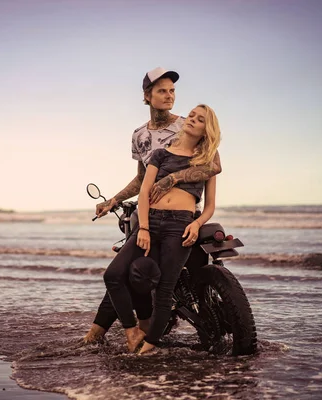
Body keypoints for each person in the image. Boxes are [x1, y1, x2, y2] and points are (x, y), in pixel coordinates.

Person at [83, 67, 222, 346]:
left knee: (134, 270)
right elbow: (140, 180)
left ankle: (106, 331)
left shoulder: (187, 125)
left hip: (179, 214)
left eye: (172, 91)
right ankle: (122, 330)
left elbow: (213, 165)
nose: (169, 96)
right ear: (147, 96)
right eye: (162, 91)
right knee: (123, 270)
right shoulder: (140, 136)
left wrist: (173, 179)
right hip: (150, 212)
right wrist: (114, 200)